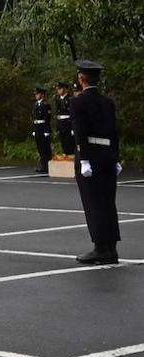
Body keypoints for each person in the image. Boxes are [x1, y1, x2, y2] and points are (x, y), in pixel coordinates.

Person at [70, 60, 120, 265]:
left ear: (81, 79)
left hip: (91, 155)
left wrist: (83, 160)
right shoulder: (107, 102)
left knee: (94, 203)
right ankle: (111, 247)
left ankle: (100, 247)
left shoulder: (78, 102)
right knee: (108, 202)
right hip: (107, 156)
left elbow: (80, 132)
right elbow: (115, 132)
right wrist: (117, 157)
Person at [32, 86, 53, 174]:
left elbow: (47, 119)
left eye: (38, 94)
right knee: (40, 148)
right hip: (37, 128)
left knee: (45, 148)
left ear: (42, 95)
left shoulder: (46, 105)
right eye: (36, 94)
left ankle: (46, 166)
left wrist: (47, 130)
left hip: (43, 128)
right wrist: (34, 129)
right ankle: (42, 165)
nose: (36, 95)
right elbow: (34, 118)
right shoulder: (36, 104)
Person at [55, 82, 75, 156]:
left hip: (68, 123)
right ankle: (65, 155)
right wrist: (57, 127)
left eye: (60, 89)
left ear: (65, 89)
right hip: (61, 123)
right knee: (63, 141)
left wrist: (73, 128)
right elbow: (57, 114)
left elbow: (72, 114)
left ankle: (70, 156)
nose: (58, 90)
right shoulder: (58, 100)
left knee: (69, 142)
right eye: (58, 89)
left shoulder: (70, 99)